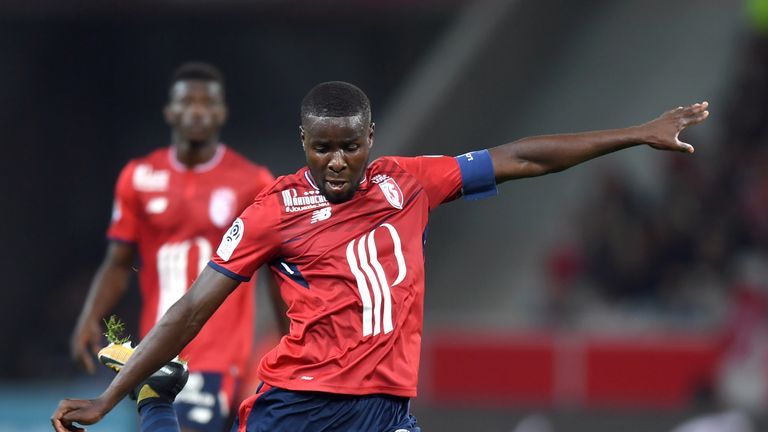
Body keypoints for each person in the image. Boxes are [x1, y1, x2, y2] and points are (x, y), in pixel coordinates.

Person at [53, 81, 709, 432]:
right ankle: (155, 401)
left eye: (349, 146)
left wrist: (635, 135)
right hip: (297, 406)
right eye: (320, 148)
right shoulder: (272, 212)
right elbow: (194, 307)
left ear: (371, 138)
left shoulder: (411, 182)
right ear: (303, 142)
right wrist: (108, 396)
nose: (336, 162)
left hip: (384, 410)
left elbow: (523, 158)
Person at [67, 62, 280, 432]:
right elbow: (118, 262)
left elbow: (278, 265)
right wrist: (90, 314)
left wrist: (291, 338)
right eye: (187, 102)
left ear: (222, 112)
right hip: (152, 351)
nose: (197, 111)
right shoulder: (139, 177)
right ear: (170, 111)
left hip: (217, 352)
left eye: (207, 103)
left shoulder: (252, 181)